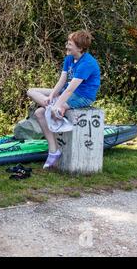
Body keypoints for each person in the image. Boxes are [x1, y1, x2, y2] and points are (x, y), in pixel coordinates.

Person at [27, 30, 100, 169]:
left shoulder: (88, 63)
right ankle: (54, 148)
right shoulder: (69, 59)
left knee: (39, 113)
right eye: (67, 43)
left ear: (79, 48)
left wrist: (58, 104)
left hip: (82, 96)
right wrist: (51, 96)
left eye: (70, 44)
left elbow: (71, 89)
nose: (67, 46)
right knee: (31, 91)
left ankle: (53, 151)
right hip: (65, 92)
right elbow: (62, 82)